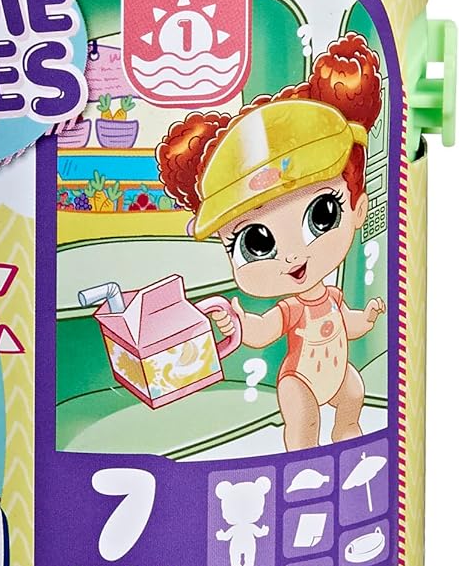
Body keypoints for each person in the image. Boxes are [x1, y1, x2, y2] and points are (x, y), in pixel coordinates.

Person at [157, 33, 386, 450]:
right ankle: (303, 460)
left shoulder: (332, 298)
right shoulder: (294, 308)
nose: (293, 255)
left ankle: (347, 435)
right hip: (300, 379)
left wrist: (367, 319)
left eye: (322, 214)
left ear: (357, 208)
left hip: (335, 373)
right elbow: (265, 331)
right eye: (256, 242)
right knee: (304, 423)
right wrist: (239, 323)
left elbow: (346, 324)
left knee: (353, 394)